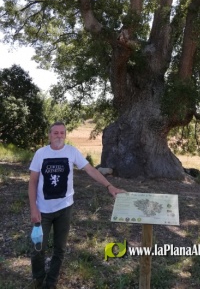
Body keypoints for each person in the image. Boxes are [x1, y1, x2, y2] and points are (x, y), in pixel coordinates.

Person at [28, 121, 125, 289]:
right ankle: (38, 278)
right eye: (55, 133)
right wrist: (33, 208)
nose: (59, 136)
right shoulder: (40, 154)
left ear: (65, 135)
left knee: (60, 249)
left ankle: (51, 283)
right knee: (38, 247)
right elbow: (32, 182)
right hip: (43, 210)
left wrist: (109, 186)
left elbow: (91, 170)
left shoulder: (71, 152)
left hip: (65, 208)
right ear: (49, 135)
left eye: (62, 133)